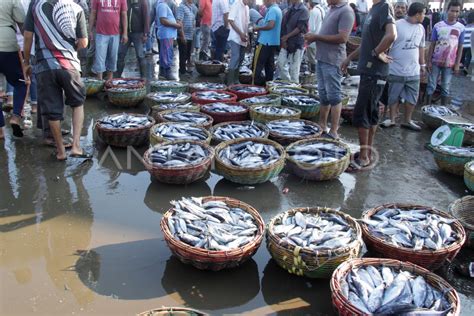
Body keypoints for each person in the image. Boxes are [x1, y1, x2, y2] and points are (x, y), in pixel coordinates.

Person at [24, 0, 90, 161]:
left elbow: (28, 37)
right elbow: (83, 42)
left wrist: (26, 62)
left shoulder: (35, 5)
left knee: (52, 111)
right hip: (69, 66)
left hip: (44, 66)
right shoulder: (76, 8)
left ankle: (60, 152)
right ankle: (76, 146)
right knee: (77, 103)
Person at [341, 0, 396, 171]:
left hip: (375, 72)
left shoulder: (385, 6)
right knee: (371, 113)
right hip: (369, 71)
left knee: (362, 114)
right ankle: (367, 152)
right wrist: (349, 58)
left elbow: (392, 35)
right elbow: (366, 43)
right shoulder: (374, 9)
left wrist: (376, 52)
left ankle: (364, 157)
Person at [304, 0, 353, 140]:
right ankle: (322, 124)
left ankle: (333, 131)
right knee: (323, 94)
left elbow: (343, 38)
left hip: (333, 60)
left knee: (334, 96)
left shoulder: (346, 11)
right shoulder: (331, 9)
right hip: (322, 58)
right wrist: (314, 39)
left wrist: (316, 36)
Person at [381, 2, 426, 131]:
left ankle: (407, 120)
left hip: (414, 70)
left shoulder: (421, 28)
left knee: (412, 97)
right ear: (417, 14)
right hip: (396, 68)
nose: (424, 16)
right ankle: (392, 119)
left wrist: (422, 64)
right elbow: (386, 43)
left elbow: (421, 47)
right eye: (423, 13)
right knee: (393, 96)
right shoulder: (397, 25)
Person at [426, 1, 465, 106]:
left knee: (445, 86)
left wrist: (457, 64)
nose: (454, 14)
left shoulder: (461, 28)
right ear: (447, 11)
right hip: (435, 61)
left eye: (457, 11)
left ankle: (443, 109)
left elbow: (460, 47)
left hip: (450, 63)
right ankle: (427, 106)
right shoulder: (438, 26)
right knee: (431, 85)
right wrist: (428, 61)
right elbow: (432, 44)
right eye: (452, 11)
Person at [0, 0, 27, 139]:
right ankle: (16, 117)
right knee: (20, 83)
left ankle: (0, 130)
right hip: (7, 46)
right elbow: (23, 23)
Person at [89, 0, 128, 81]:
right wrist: (90, 31)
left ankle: (109, 81)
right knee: (99, 58)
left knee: (113, 58)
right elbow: (93, 13)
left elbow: (124, 15)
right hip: (100, 33)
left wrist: (125, 33)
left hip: (115, 34)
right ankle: (99, 81)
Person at [116, 0, 150, 78]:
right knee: (120, 54)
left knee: (140, 55)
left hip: (138, 33)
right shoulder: (125, 2)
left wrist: (145, 33)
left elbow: (146, 18)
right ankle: (117, 76)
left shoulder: (142, 2)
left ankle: (143, 78)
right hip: (125, 33)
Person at [277, 0, 309, 83]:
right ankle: (288, 83)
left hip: (297, 43)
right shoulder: (289, 9)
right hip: (286, 41)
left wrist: (286, 37)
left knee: (294, 70)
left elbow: (300, 28)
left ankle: (294, 89)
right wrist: (283, 39)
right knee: (280, 63)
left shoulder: (304, 10)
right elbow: (284, 25)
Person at [252, 0, 282, 85]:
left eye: (265, 1)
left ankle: (255, 85)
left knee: (257, 65)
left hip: (265, 42)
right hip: (273, 42)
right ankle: (268, 85)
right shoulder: (278, 9)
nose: (264, 3)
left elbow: (270, 25)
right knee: (269, 66)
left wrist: (258, 28)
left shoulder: (272, 10)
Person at [155, 0, 182, 79]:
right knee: (166, 53)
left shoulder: (163, 5)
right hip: (166, 34)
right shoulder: (162, 6)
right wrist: (176, 25)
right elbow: (163, 21)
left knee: (166, 53)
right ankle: (166, 72)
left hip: (168, 34)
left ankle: (164, 72)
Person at [226, 0, 250, 84]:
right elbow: (231, 20)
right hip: (235, 37)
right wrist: (240, 34)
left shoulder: (247, 7)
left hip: (243, 38)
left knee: (241, 58)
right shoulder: (236, 4)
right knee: (235, 57)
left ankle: (236, 79)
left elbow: (247, 24)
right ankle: (230, 81)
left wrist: (248, 38)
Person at [176, 0, 197, 75]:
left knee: (187, 53)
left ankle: (184, 69)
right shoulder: (181, 7)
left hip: (190, 35)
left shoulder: (191, 8)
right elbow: (179, 22)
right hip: (184, 35)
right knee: (183, 53)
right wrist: (182, 35)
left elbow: (193, 20)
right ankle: (182, 71)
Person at [306, 0, 325, 73]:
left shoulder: (313, 11)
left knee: (312, 58)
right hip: (320, 36)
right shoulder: (322, 9)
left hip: (312, 38)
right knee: (317, 57)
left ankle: (314, 73)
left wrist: (306, 38)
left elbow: (311, 28)